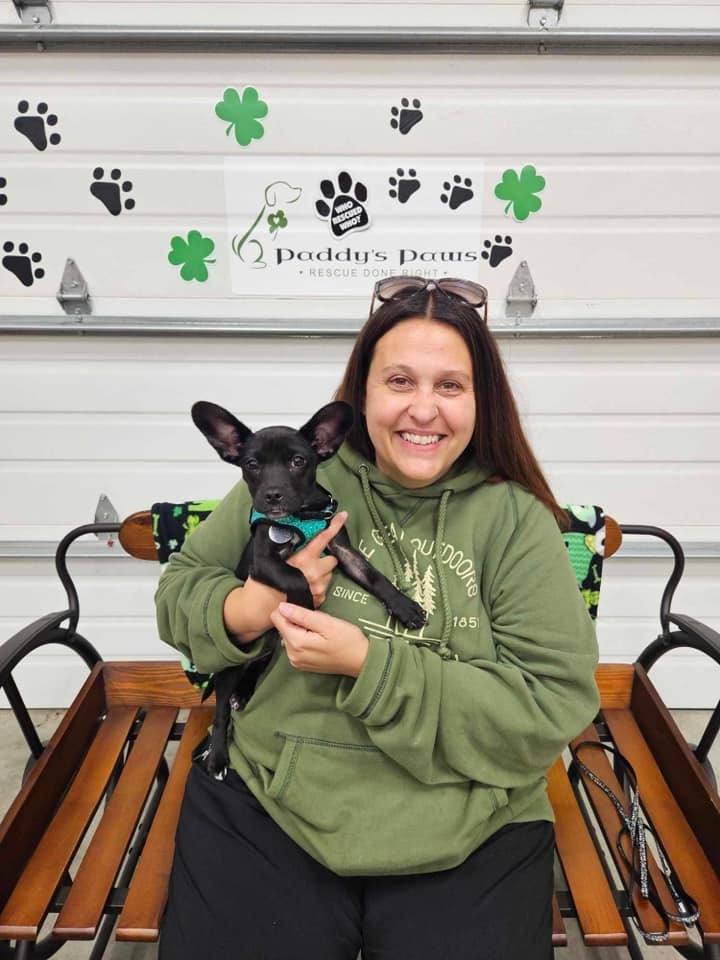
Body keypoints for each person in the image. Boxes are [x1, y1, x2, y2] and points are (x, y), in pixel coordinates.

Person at [155, 275, 600, 960]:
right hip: (274, 799)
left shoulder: (514, 521)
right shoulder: (289, 484)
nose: (424, 409)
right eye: (399, 381)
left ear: (483, 403)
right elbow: (180, 595)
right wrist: (247, 606)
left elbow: (553, 703)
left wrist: (371, 663)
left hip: (470, 818)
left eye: (450, 386)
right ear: (359, 396)